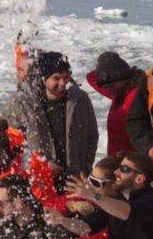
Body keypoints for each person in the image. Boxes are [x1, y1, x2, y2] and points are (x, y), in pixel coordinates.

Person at [6, 50, 99, 184]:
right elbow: (11, 144)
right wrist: (41, 165)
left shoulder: (80, 99)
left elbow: (92, 136)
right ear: (43, 78)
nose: (63, 83)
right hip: (37, 181)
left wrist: (85, 167)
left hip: (74, 180)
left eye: (66, 77)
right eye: (56, 78)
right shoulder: (21, 103)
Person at [84, 50, 150, 160]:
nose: (109, 90)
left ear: (125, 78)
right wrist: (104, 62)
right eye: (105, 87)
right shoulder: (118, 94)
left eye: (111, 85)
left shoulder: (135, 98)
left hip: (132, 163)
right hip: (119, 163)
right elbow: (91, 78)